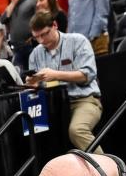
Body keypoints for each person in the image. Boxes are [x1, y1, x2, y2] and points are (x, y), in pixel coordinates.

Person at [27, 12, 103, 152]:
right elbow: (35, 86)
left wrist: (56, 75)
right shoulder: (35, 54)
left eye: (44, 34)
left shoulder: (78, 41)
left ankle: (110, 171)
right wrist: (33, 84)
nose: (41, 40)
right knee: (34, 135)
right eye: (37, 37)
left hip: (84, 99)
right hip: (52, 105)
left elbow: (87, 75)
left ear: (55, 25)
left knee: (77, 130)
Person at [5, 0, 37, 71]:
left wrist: (34, 36)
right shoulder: (12, 5)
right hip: (16, 47)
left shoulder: (33, 0)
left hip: (30, 44)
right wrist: (13, 3)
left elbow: (40, 18)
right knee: (20, 74)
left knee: (34, 70)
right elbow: (3, 19)